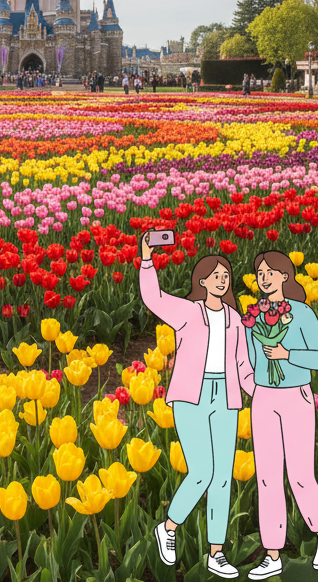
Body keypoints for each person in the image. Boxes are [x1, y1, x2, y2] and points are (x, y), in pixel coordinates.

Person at [139, 233, 255, 579]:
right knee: (202, 470)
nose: (222, 280)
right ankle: (170, 527)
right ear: (202, 281)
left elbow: (243, 365)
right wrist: (147, 259)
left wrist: (259, 392)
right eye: (215, 275)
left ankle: (216, 553)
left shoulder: (236, 319)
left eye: (226, 276)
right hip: (193, 395)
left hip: (227, 397)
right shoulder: (188, 311)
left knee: (222, 478)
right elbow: (153, 297)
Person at [244, 252, 318, 580]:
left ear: (285, 276)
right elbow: (251, 360)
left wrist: (287, 354)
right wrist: (257, 387)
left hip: (297, 396)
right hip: (264, 399)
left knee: (299, 474)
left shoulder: (302, 313)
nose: (265, 277)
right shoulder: (253, 316)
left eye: (271, 272)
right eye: (260, 273)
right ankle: (272, 554)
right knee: (267, 478)